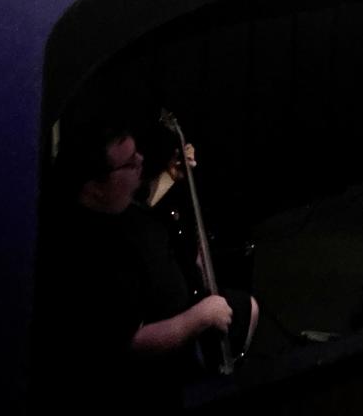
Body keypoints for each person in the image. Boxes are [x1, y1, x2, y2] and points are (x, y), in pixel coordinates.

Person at [33, 118, 257, 410]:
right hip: (166, 358)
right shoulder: (89, 255)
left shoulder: (111, 202)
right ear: (94, 187)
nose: (140, 162)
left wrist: (169, 177)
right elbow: (129, 343)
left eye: (136, 152)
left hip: (186, 301)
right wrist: (200, 317)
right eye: (128, 163)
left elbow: (141, 202)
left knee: (247, 307)